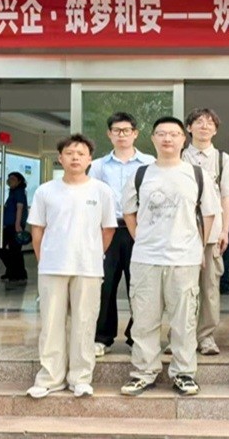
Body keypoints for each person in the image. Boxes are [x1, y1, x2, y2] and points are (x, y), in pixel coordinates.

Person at [119, 116, 220, 397]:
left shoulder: (197, 174)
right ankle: (143, 373)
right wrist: (141, 238)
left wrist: (199, 247)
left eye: (173, 134)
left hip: (184, 259)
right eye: (161, 134)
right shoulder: (140, 174)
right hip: (146, 259)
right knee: (144, 320)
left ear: (183, 139)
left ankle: (184, 373)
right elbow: (128, 211)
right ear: (152, 139)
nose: (167, 139)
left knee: (184, 321)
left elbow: (209, 214)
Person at [26, 134, 118, 399]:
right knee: (51, 324)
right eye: (69, 153)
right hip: (52, 266)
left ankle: (81, 378)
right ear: (60, 158)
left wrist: (92, 254)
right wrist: (44, 259)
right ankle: (49, 378)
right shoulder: (46, 191)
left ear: (90, 159)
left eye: (81, 153)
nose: (75, 158)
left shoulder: (101, 191)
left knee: (85, 324)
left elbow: (108, 229)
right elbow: (37, 230)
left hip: (88, 267)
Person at [88, 112, 155, 358]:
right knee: (105, 284)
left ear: (135, 133)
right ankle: (102, 337)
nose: (122, 135)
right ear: (109, 134)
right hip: (108, 229)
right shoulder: (98, 166)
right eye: (116, 130)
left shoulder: (149, 163)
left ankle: (137, 337)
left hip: (140, 230)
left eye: (127, 130)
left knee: (140, 286)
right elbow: (92, 197)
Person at [182, 108, 229, 355]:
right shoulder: (178, 156)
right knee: (181, 288)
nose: (204, 126)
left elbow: (227, 198)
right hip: (181, 233)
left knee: (209, 288)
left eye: (209, 123)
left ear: (216, 130)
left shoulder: (223, 160)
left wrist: (225, 230)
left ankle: (206, 336)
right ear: (189, 128)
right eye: (198, 122)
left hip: (212, 233)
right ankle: (181, 337)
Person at [0, 171, 29, 288]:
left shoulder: (19, 192)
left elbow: (19, 208)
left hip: (14, 226)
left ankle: (17, 274)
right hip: (9, 226)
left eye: (13, 179)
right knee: (8, 250)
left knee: (14, 250)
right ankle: (14, 271)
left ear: (19, 181)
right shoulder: (12, 192)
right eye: (9, 178)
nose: (10, 181)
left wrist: (17, 224)